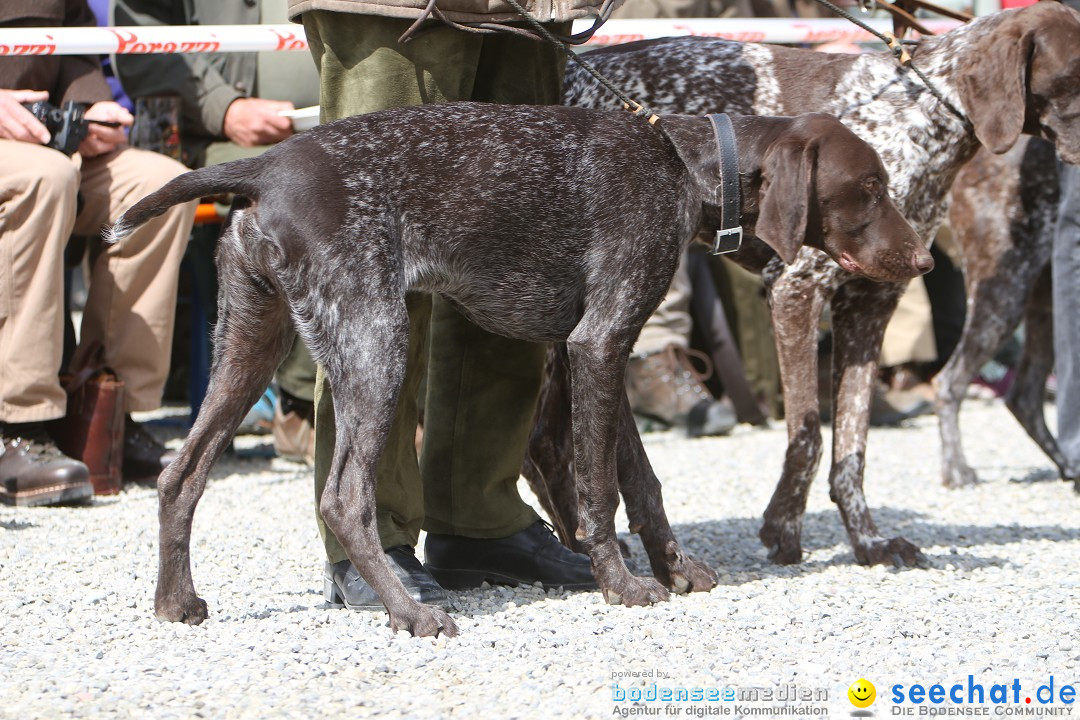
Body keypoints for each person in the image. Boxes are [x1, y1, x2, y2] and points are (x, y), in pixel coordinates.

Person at [285, 0, 603, 608]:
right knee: (373, 261)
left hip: (530, 10)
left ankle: (479, 518)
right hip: (393, 9)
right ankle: (367, 529)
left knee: (517, 255)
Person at [0, 0, 197, 506]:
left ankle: (106, 418)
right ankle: (17, 426)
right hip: (33, 162)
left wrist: (86, 113)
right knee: (44, 179)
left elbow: (75, 44)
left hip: (44, 141)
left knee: (160, 186)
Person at [112, 0, 322, 465]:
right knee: (311, 197)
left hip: (332, 132)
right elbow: (140, 34)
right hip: (212, 138)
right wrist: (222, 107)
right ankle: (302, 407)